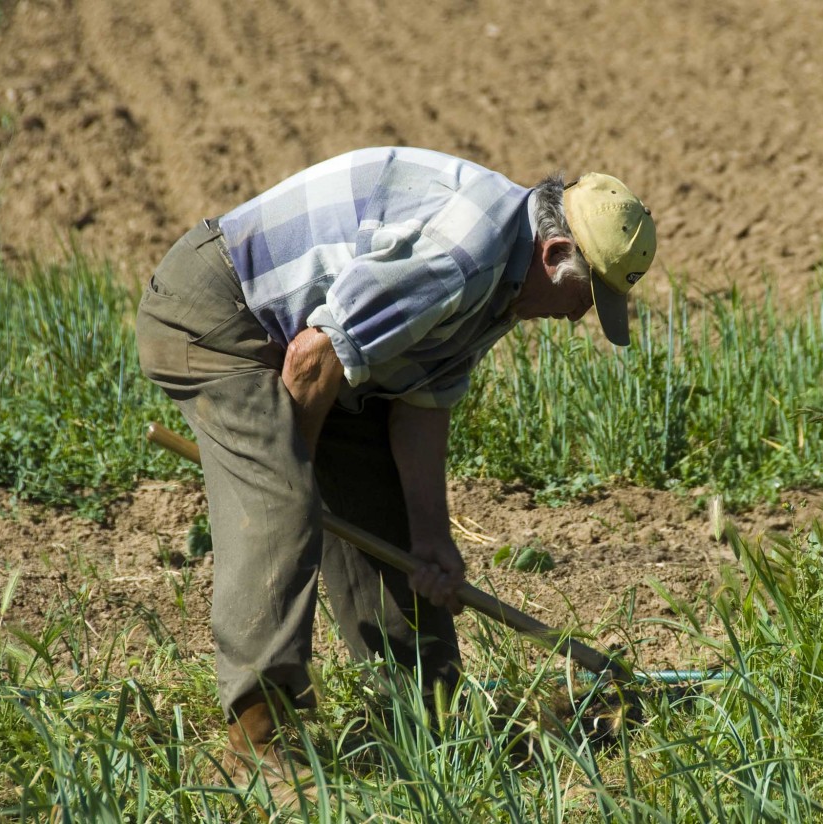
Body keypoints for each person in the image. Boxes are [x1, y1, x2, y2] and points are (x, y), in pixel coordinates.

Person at [134, 146, 656, 798]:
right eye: (584, 297)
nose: (577, 318)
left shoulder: (502, 284)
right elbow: (309, 361)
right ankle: (260, 746)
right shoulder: (463, 258)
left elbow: (420, 401)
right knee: (280, 509)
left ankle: (425, 725)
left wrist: (432, 540)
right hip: (217, 315)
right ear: (553, 256)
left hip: (315, 349)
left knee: (393, 540)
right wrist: (293, 485)